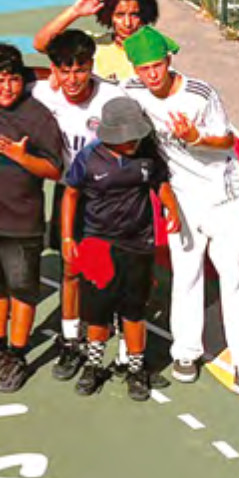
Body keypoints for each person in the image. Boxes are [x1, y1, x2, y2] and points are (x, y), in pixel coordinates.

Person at [121, 26, 239, 393]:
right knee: (186, 275)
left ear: (169, 61)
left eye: (157, 66)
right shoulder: (131, 90)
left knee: (235, 277)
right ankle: (186, 352)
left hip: (224, 197)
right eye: (144, 68)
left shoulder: (200, 94)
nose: (152, 75)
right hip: (182, 199)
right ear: (135, 68)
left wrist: (195, 137)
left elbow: (226, 139)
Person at [0, 44, 63, 392]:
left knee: (22, 288)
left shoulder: (38, 117)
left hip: (20, 221)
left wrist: (22, 158)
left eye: (14, 79)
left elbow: (55, 169)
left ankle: (18, 355)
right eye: (0, 80)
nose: (7, 87)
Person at [61, 97, 180, 401]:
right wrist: (67, 238)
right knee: (97, 313)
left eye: (135, 136)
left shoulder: (147, 154)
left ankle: (136, 369)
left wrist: (172, 210)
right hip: (97, 244)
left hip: (139, 244)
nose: (133, 142)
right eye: (126, 137)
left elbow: (161, 184)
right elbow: (70, 194)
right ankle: (93, 365)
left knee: (134, 311)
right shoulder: (88, 158)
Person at [31, 30, 123, 381]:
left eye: (80, 70)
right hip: (69, 194)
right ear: (54, 70)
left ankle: (110, 335)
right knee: (70, 269)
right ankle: (71, 340)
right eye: (65, 71)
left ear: (91, 66)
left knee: (108, 271)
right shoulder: (45, 93)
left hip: (109, 197)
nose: (72, 79)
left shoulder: (114, 99)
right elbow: (3, 80)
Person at [33, 0, 159, 82]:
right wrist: (75, 12)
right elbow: (41, 44)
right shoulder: (91, 45)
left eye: (134, 15)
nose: (127, 23)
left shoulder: (157, 51)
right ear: (109, 16)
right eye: (120, 15)